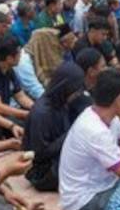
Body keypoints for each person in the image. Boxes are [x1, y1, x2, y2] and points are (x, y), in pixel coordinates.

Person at [57, 68, 120, 210]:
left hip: (103, 187)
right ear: (119, 99)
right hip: (83, 205)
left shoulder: (104, 115)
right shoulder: (94, 129)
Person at [24, 62, 86, 192]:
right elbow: (39, 153)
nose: (77, 94)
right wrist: (71, 134)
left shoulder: (61, 102)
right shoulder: (42, 113)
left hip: (59, 156)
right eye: (76, 90)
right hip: (44, 170)